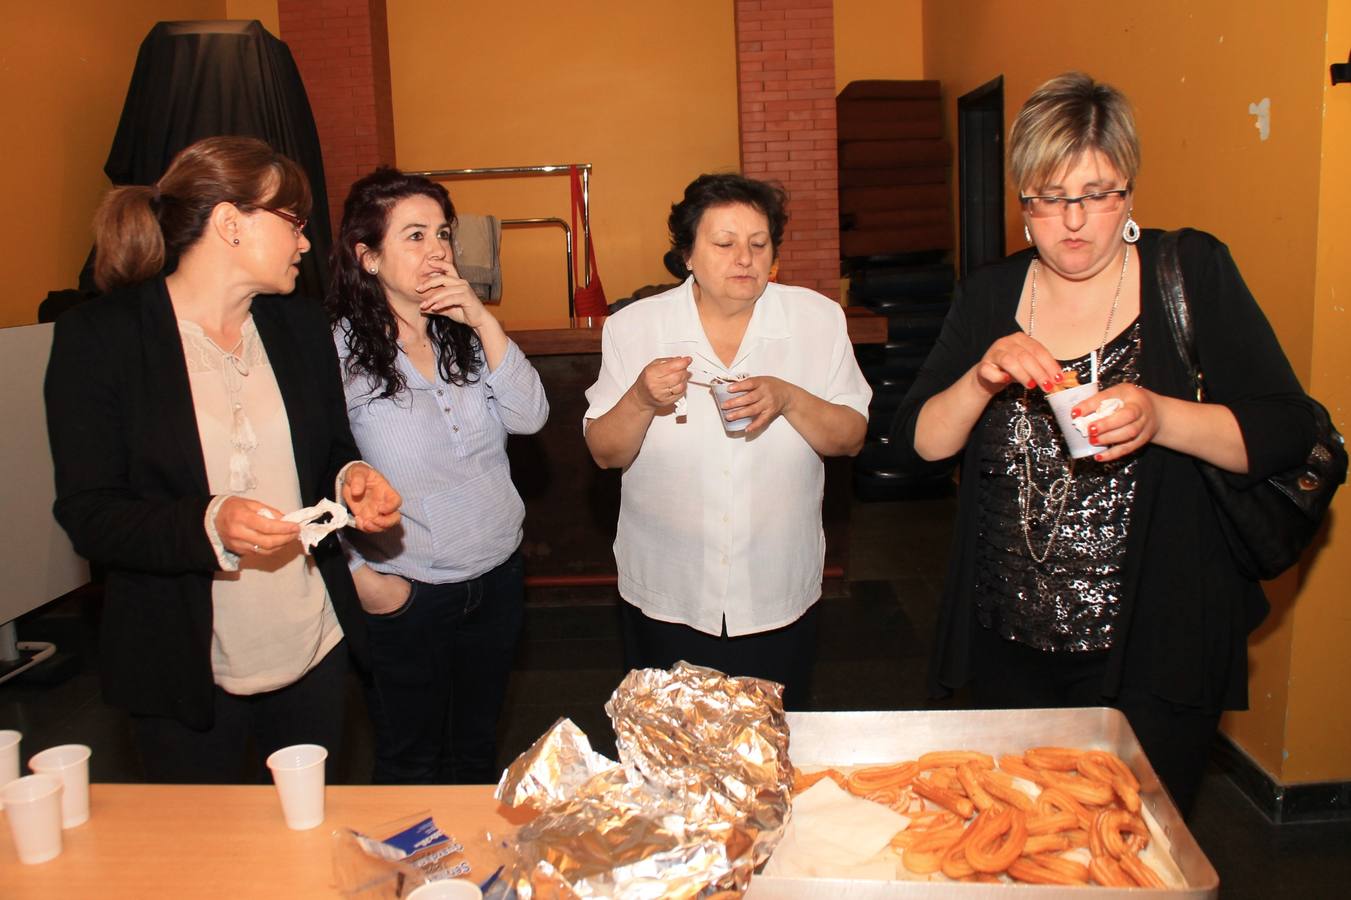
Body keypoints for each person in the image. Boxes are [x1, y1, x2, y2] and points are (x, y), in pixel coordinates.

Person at [890, 73, 1318, 816]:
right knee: (1021, 840)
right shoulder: (991, 294)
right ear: (1023, 202)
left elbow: (1286, 430)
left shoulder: (1189, 272)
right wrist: (981, 378)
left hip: (1157, 644)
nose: (1073, 221)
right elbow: (919, 444)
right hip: (1009, 642)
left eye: (1096, 194)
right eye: (1049, 198)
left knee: (1130, 842)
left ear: (1130, 189)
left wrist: (1161, 415)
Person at [45, 136, 403, 783]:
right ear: (231, 222)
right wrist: (209, 522)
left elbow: (330, 449)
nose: (304, 243)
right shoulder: (102, 338)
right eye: (294, 222)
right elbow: (89, 513)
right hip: (184, 660)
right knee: (203, 841)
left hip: (312, 644)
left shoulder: (300, 328)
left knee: (305, 832)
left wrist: (351, 477)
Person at [583, 173, 872, 710]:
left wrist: (789, 397)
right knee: (669, 741)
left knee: (769, 741)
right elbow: (605, 452)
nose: (745, 258)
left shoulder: (817, 319)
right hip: (669, 587)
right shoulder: (635, 327)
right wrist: (641, 398)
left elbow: (851, 438)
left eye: (759, 244)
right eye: (724, 243)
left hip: (775, 584)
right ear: (687, 255)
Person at [327, 168, 548, 784]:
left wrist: (482, 319)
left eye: (443, 234)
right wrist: (359, 576)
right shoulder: (335, 351)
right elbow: (314, 468)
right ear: (368, 257)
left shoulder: (466, 337)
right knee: (410, 762)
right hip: (409, 588)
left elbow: (531, 417)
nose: (437, 251)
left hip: (497, 577)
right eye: (415, 235)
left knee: (475, 752)